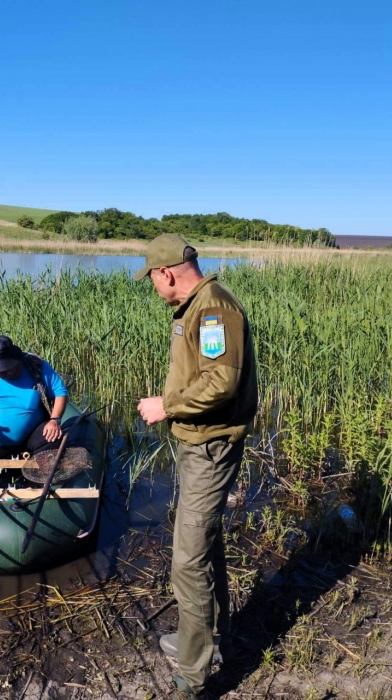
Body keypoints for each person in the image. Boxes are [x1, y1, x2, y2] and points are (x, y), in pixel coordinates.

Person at [135, 234, 258, 700]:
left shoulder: (213, 308)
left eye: (151, 279)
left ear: (166, 273)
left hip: (210, 449)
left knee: (188, 562)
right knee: (206, 547)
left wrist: (165, 404)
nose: (153, 288)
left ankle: (192, 677)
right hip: (197, 445)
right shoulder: (199, 306)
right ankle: (209, 640)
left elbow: (221, 384)